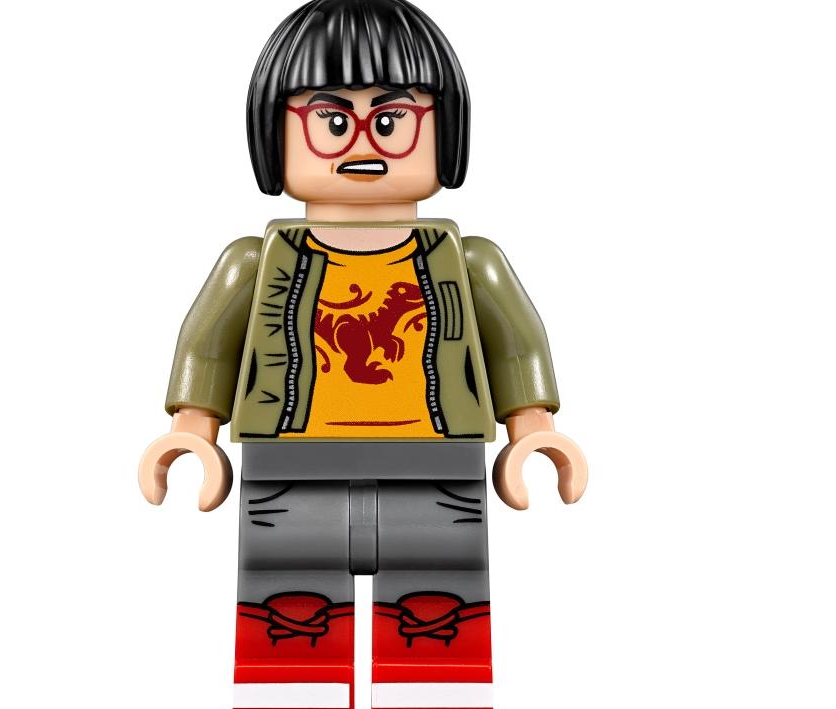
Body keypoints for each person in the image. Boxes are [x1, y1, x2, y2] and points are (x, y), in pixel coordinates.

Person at [138, 2, 588, 707]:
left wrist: (533, 430)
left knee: (438, 619)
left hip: (438, 467)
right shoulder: (254, 261)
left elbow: (515, 345)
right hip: (289, 468)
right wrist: (192, 431)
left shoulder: (469, 260)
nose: (361, 143)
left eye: (391, 119)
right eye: (329, 119)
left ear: (443, 129)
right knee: (289, 619)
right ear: (275, 132)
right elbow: (210, 347)